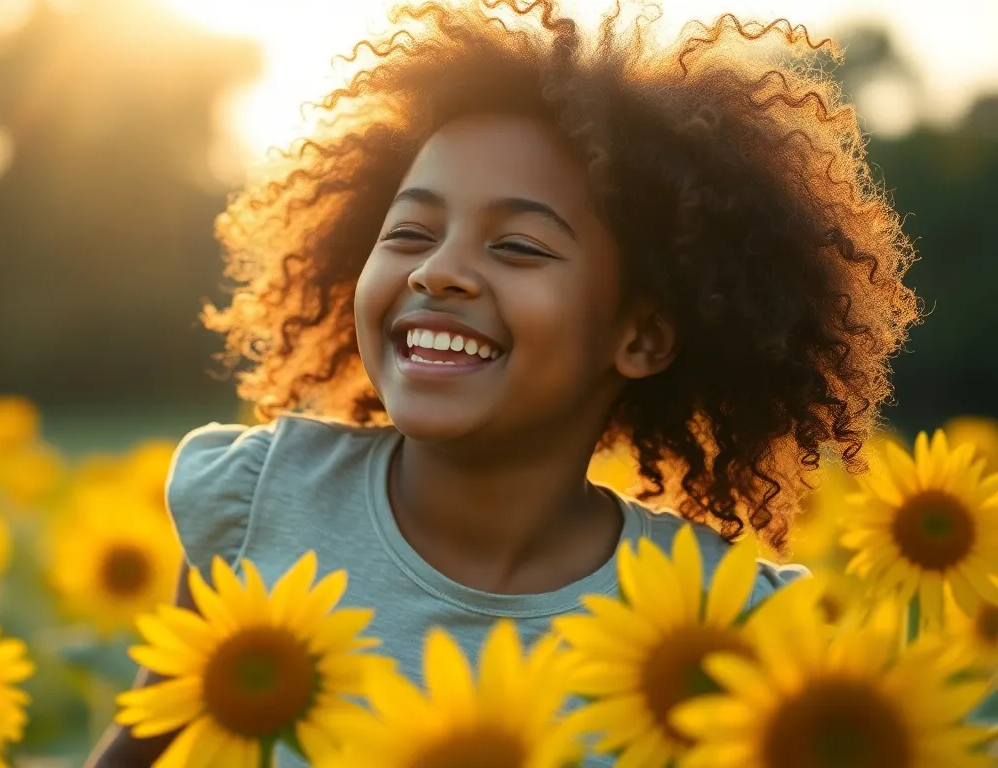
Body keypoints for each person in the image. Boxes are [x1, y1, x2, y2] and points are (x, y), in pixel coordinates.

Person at [89, 0, 918, 764]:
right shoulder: (261, 505)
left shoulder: (726, 624)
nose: (438, 272)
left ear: (644, 336)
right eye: (410, 231)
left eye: (517, 247)